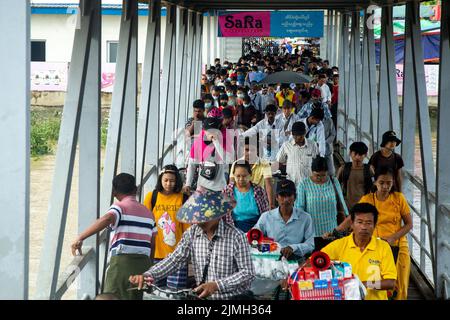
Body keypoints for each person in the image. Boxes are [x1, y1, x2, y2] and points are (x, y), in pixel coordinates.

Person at [129, 190, 255, 300]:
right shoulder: (192, 233)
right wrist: (149, 275)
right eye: (196, 216)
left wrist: (217, 285)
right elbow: (175, 259)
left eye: (204, 216)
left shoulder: (237, 237)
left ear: (218, 214)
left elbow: (247, 273)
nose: (198, 221)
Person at [71, 173, 157, 300]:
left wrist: (80, 237)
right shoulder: (149, 213)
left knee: (111, 296)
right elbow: (153, 244)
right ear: (136, 190)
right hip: (144, 264)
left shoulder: (119, 207)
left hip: (122, 264)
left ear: (114, 193)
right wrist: (149, 267)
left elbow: (107, 218)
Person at [321, 203, 397, 300]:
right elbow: (313, 262)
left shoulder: (383, 247)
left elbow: (390, 283)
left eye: (368, 223)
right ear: (352, 224)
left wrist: (362, 284)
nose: (364, 227)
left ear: (375, 225)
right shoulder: (339, 245)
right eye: (360, 222)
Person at [358, 166, 412, 300]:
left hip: (398, 243)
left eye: (389, 183)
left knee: (401, 284)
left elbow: (409, 224)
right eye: (381, 183)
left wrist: (393, 237)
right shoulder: (367, 199)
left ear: (393, 182)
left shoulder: (399, 198)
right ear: (375, 182)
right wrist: (338, 230)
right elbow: (354, 219)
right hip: (375, 246)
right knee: (376, 284)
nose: (385, 186)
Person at [143, 165, 190, 290]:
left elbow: (187, 228)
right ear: (160, 180)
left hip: (177, 255)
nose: (169, 184)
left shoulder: (183, 198)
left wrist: (188, 251)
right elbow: (146, 224)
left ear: (177, 181)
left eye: (172, 181)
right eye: (166, 180)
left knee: (175, 291)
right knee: (156, 291)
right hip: (156, 253)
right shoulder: (151, 197)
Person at [253, 179, 315, 261]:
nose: (286, 199)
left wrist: (293, 248)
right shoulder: (266, 217)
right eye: (282, 195)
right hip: (271, 261)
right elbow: (254, 239)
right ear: (276, 198)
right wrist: (272, 248)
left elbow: (311, 244)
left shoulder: (305, 218)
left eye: (289, 195)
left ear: (295, 197)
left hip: (297, 261)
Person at [294, 157, 349, 237]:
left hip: (332, 231)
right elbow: (300, 207)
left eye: (323, 175)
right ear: (311, 172)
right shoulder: (304, 184)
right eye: (317, 175)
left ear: (327, 172)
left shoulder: (333, 181)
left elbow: (341, 203)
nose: (320, 178)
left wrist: (347, 220)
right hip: (312, 232)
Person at [184, 117, 233, 193]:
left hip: (219, 187)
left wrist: (216, 141)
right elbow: (191, 164)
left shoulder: (225, 139)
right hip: (202, 187)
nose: (211, 133)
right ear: (204, 130)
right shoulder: (199, 141)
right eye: (208, 131)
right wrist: (188, 184)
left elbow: (228, 160)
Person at [223, 162, 269, 232]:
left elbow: (266, 213)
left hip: (257, 227)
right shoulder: (227, 191)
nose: (241, 179)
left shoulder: (259, 190)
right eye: (238, 176)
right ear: (233, 175)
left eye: (244, 176)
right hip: (234, 228)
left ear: (250, 175)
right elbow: (223, 215)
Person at [230, 137, 275, 209]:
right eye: (247, 150)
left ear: (257, 150)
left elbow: (268, 185)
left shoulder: (265, 164)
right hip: (240, 199)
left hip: (258, 199)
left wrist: (271, 204)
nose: (249, 153)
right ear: (242, 150)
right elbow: (231, 185)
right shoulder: (236, 164)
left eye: (252, 150)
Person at [276, 121, 319, 186]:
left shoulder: (313, 145)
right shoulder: (286, 145)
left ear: (305, 133)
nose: (298, 138)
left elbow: (316, 162)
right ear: (292, 134)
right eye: (296, 136)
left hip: (309, 184)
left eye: (301, 135)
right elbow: (279, 160)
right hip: (292, 184)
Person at [336, 142, 374, 209]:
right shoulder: (343, 169)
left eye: (360, 154)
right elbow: (336, 186)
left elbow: (374, 187)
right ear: (350, 153)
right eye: (355, 154)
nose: (357, 157)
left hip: (364, 206)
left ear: (365, 155)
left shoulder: (369, 170)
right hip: (346, 207)